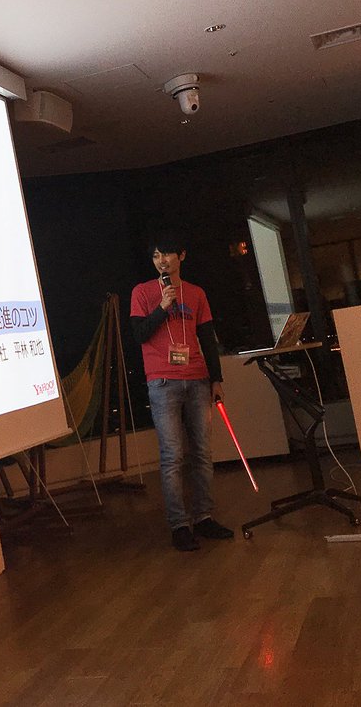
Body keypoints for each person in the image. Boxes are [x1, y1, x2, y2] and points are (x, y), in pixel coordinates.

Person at [130, 235, 232, 551]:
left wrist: (216, 379)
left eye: (167, 254)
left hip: (198, 379)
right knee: (172, 455)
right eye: (156, 255)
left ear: (182, 256)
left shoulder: (196, 293)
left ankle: (204, 517)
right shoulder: (142, 292)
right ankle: (179, 525)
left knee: (202, 452)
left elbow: (207, 337)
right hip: (162, 382)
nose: (161, 260)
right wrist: (163, 307)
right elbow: (139, 334)